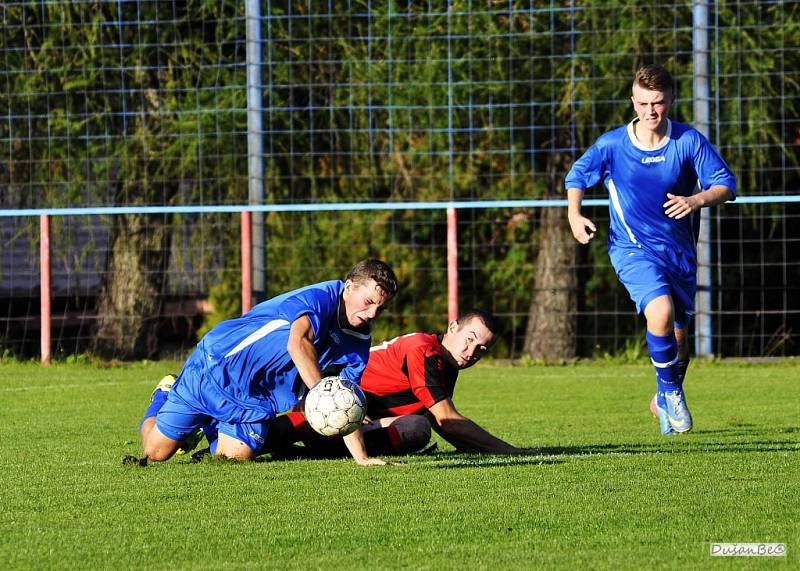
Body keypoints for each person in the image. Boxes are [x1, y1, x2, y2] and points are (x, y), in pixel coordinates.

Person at [564, 64, 736, 435]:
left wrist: (696, 200)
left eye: (657, 102)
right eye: (642, 103)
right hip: (631, 247)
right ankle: (672, 392)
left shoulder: (688, 141)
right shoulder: (612, 145)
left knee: (677, 334)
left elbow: (726, 184)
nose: (650, 111)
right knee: (659, 310)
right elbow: (577, 175)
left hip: (678, 253)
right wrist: (575, 215)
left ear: (671, 100)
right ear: (633, 101)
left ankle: (662, 397)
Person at [137, 258, 399, 465]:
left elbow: (345, 402)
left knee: (234, 458)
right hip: (218, 367)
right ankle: (166, 392)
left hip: (256, 395)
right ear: (349, 286)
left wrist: (361, 458)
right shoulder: (321, 298)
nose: (372, 313)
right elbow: (298, 343)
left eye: (380, 308)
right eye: (368, 302)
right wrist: (321, 394)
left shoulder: (359, 342)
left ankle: (210, 424)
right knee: (156, 451)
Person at [263, 309, 525, 458]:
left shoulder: (447, 361)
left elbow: (437, 418)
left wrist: (470, 448)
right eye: (469, 339)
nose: (471, 352)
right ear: (453, 327)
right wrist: (509, 451)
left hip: (360, 420)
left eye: (481, 349)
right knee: (416, 428)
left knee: (417, 427)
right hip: (322, 403)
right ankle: (265, 437)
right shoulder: (423, 350)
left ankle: (308, 450)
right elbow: (447, 419)